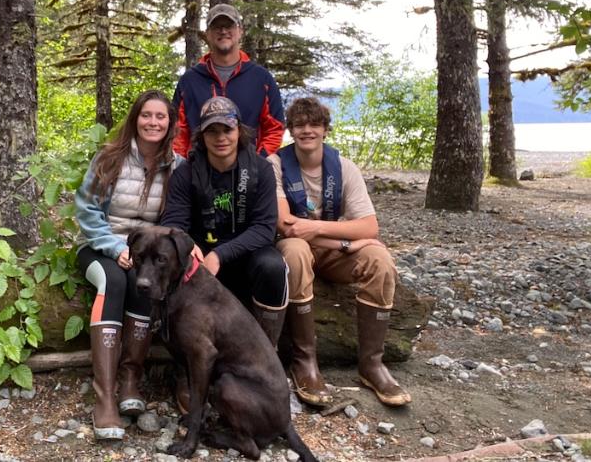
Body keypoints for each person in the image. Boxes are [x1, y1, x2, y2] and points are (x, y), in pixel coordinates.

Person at [268, 97, 411, 408]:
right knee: (295, 251)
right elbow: (287, 225)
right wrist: (346, 242)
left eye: (314, 124)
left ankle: (371, 364)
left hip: (330, 249)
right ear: (291, 130)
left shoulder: (344, 167)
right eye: (299, 125)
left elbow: (369, 227)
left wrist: (323, 233)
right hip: (297, 247)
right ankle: (305, 361)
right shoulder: (275, 164)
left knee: (380, 259)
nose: (307, 130)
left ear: (325, 129)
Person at [75, 90, 181, 440]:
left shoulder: (176, 165)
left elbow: (176, 218)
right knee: (115, 282)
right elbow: (87, 212)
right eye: (146, 115)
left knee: (144, 284)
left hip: (144, 253)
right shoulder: (110, 157)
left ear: (170, 123)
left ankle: (130, 380)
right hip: (98, 246)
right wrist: (115, 246)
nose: (153, 122)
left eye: (160, 117)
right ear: (136, 118)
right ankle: (105, 398)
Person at [161, 96, 288, 344]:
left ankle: (266, 349)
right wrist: (188, 245)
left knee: (273, 267)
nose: (221, 138)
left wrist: (220, 254)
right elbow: (173, 223)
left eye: (227, 129)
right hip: (201, 253)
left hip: (247, 251)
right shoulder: (186, 173)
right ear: (202, 135)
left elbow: (264, 228)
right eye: (212, 131)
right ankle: (189, 348)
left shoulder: (261, 170)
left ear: (239, 130)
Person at [172, 3, 284, 157]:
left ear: (240, 31)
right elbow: (178, 131)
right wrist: (183, 164)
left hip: (249, 168)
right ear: (208, 34)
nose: (223, 31)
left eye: (229, 25)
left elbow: (275, 128)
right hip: (198, 168)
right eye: (217, 26)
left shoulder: (261, 79)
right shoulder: (190, 81)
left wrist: (259, 161)